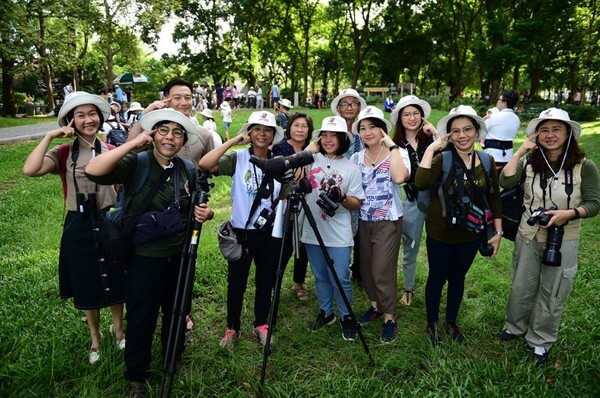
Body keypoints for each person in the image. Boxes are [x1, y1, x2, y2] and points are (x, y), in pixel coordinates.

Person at [85, 108, 213, 397]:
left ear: (183, 140)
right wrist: (133, 143)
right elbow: (93, 170)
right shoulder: (136, 162)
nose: (170, 137)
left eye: (177, 132)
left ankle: (172, 358)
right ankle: (136, 377)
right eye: (163, 130)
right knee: (142, 316)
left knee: (177, 311)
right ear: (153, 133)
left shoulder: (187, 169)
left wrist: (206, 212)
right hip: (143, 257)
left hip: (180, 256)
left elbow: (191, 210)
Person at [22, 91, 126, 365]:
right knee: (86, 280)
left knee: (115, 276)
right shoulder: (64, 153)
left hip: (108, 220)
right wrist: (49, 137)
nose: (88, 120)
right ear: (71, 120)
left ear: (100, 117)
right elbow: (30, 169)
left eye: (92, 114)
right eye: (80, 115)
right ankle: (95, 336)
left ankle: (118, 328)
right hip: (78, 224)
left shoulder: (111, 150)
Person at [498, 108, 600, 365]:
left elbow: (594, 204)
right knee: (521, 284)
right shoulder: (530, 162)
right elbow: (505, 182)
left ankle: (540, 341)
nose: (550, 135)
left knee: (552, 290)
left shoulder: (584, 166)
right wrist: (521, 151)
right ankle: (514, 327)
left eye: (557, 129)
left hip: (564, 236)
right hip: (529, 233)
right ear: (536, 134)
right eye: (544, 129)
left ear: (568, 133)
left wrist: (570, 213)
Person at [415, 105, 503, 345]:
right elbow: (421, 182)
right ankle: (431, 323)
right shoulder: (442, 159)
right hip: (439, 232)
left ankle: (451, 322)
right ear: (449, 135)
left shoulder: (486, 160)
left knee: (458, 278)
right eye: (456, 131)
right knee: (436, 277)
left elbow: (494, 196)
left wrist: (498, 231)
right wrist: (433, 147)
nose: (462, 135)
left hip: (471, 233)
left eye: (467, 129)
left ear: (476, 132)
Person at [198, 111, 285, 350]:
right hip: (241, 232)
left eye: (267, 130)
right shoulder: (238, 158)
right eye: (256, 128)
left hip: (268, 232)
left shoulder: (278, 162)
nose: (262, 134)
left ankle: (261, 324)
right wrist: (233, 141)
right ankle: (232, 328)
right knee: (236, 283)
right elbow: (205, 164)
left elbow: (285, 193)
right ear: (250, 132)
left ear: (273, 135)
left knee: (265, 281)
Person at [350, 106, 411, 344]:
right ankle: (375, 306)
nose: (367, 132)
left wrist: (392, 146)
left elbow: (398, 178)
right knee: (365, 268)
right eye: (362, 128)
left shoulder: (399, 153)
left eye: (373, 126)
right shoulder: (356, 158)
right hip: (364, 220)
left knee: (382, 269)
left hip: (388, 220)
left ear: (383, 129)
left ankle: (389, 317)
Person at [302, 116, 365, 340]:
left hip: (339, 231)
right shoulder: (310, 159)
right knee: (320, 276)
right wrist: (311, 147)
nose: (328, 140)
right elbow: (292, 168)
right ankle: (326, 313)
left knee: (340, 276)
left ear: (342, 139)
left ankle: (347, 315)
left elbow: (357, 202)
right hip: (312, 228)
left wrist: (342, 197)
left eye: (334, 135)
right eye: (324, 135)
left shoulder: (351, 168)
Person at [391, 95, 439, 306]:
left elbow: (447, 150)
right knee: (410, 244)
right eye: (406, 114)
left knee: (435, 244)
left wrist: (435, 131)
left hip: (436, 200)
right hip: (411, 199)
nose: (412, 118)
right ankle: (408, 288)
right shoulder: (395, 144)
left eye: (416, 113)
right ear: (400, 118)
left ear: (423, 116)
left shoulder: (430, 139)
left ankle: (434, 285)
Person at [273, 112, 313, 301]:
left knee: (302, 245)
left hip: (307, 203)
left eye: (304, 126)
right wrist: (285, 201)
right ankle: (273, 284)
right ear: (289, 127)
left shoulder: (312, 149)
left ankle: (298, 282)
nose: (300, 129)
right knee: (284, 245)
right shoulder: (280, 147)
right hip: (284, 203)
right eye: (296, 125)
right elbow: (277, 175)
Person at [127, 78, 215, 165]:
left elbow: (211, 166)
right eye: (177, 98)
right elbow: (129, 151)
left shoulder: (205, 134)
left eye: (188, 98)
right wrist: (144, 113)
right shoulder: (154, 130)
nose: (184, 103)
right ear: (165, 99)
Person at [331, 88, 368, 282]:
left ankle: (359, 271)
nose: (349, 107)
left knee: (361, 233)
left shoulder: (365, 128)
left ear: (359, 107)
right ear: (338, 108)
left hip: (362, 187)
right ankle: (338, 269)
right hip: (336, 186)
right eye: (344, 103)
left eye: (353, 103)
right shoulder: (332, 130)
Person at [483, 90, 521, 170]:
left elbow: (480, 131)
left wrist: (483, 120)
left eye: (499, 100)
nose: (497, 102)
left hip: (492, 157)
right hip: (508, 158)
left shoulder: (494, 117)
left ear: (504, 103)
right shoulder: (516, 119)